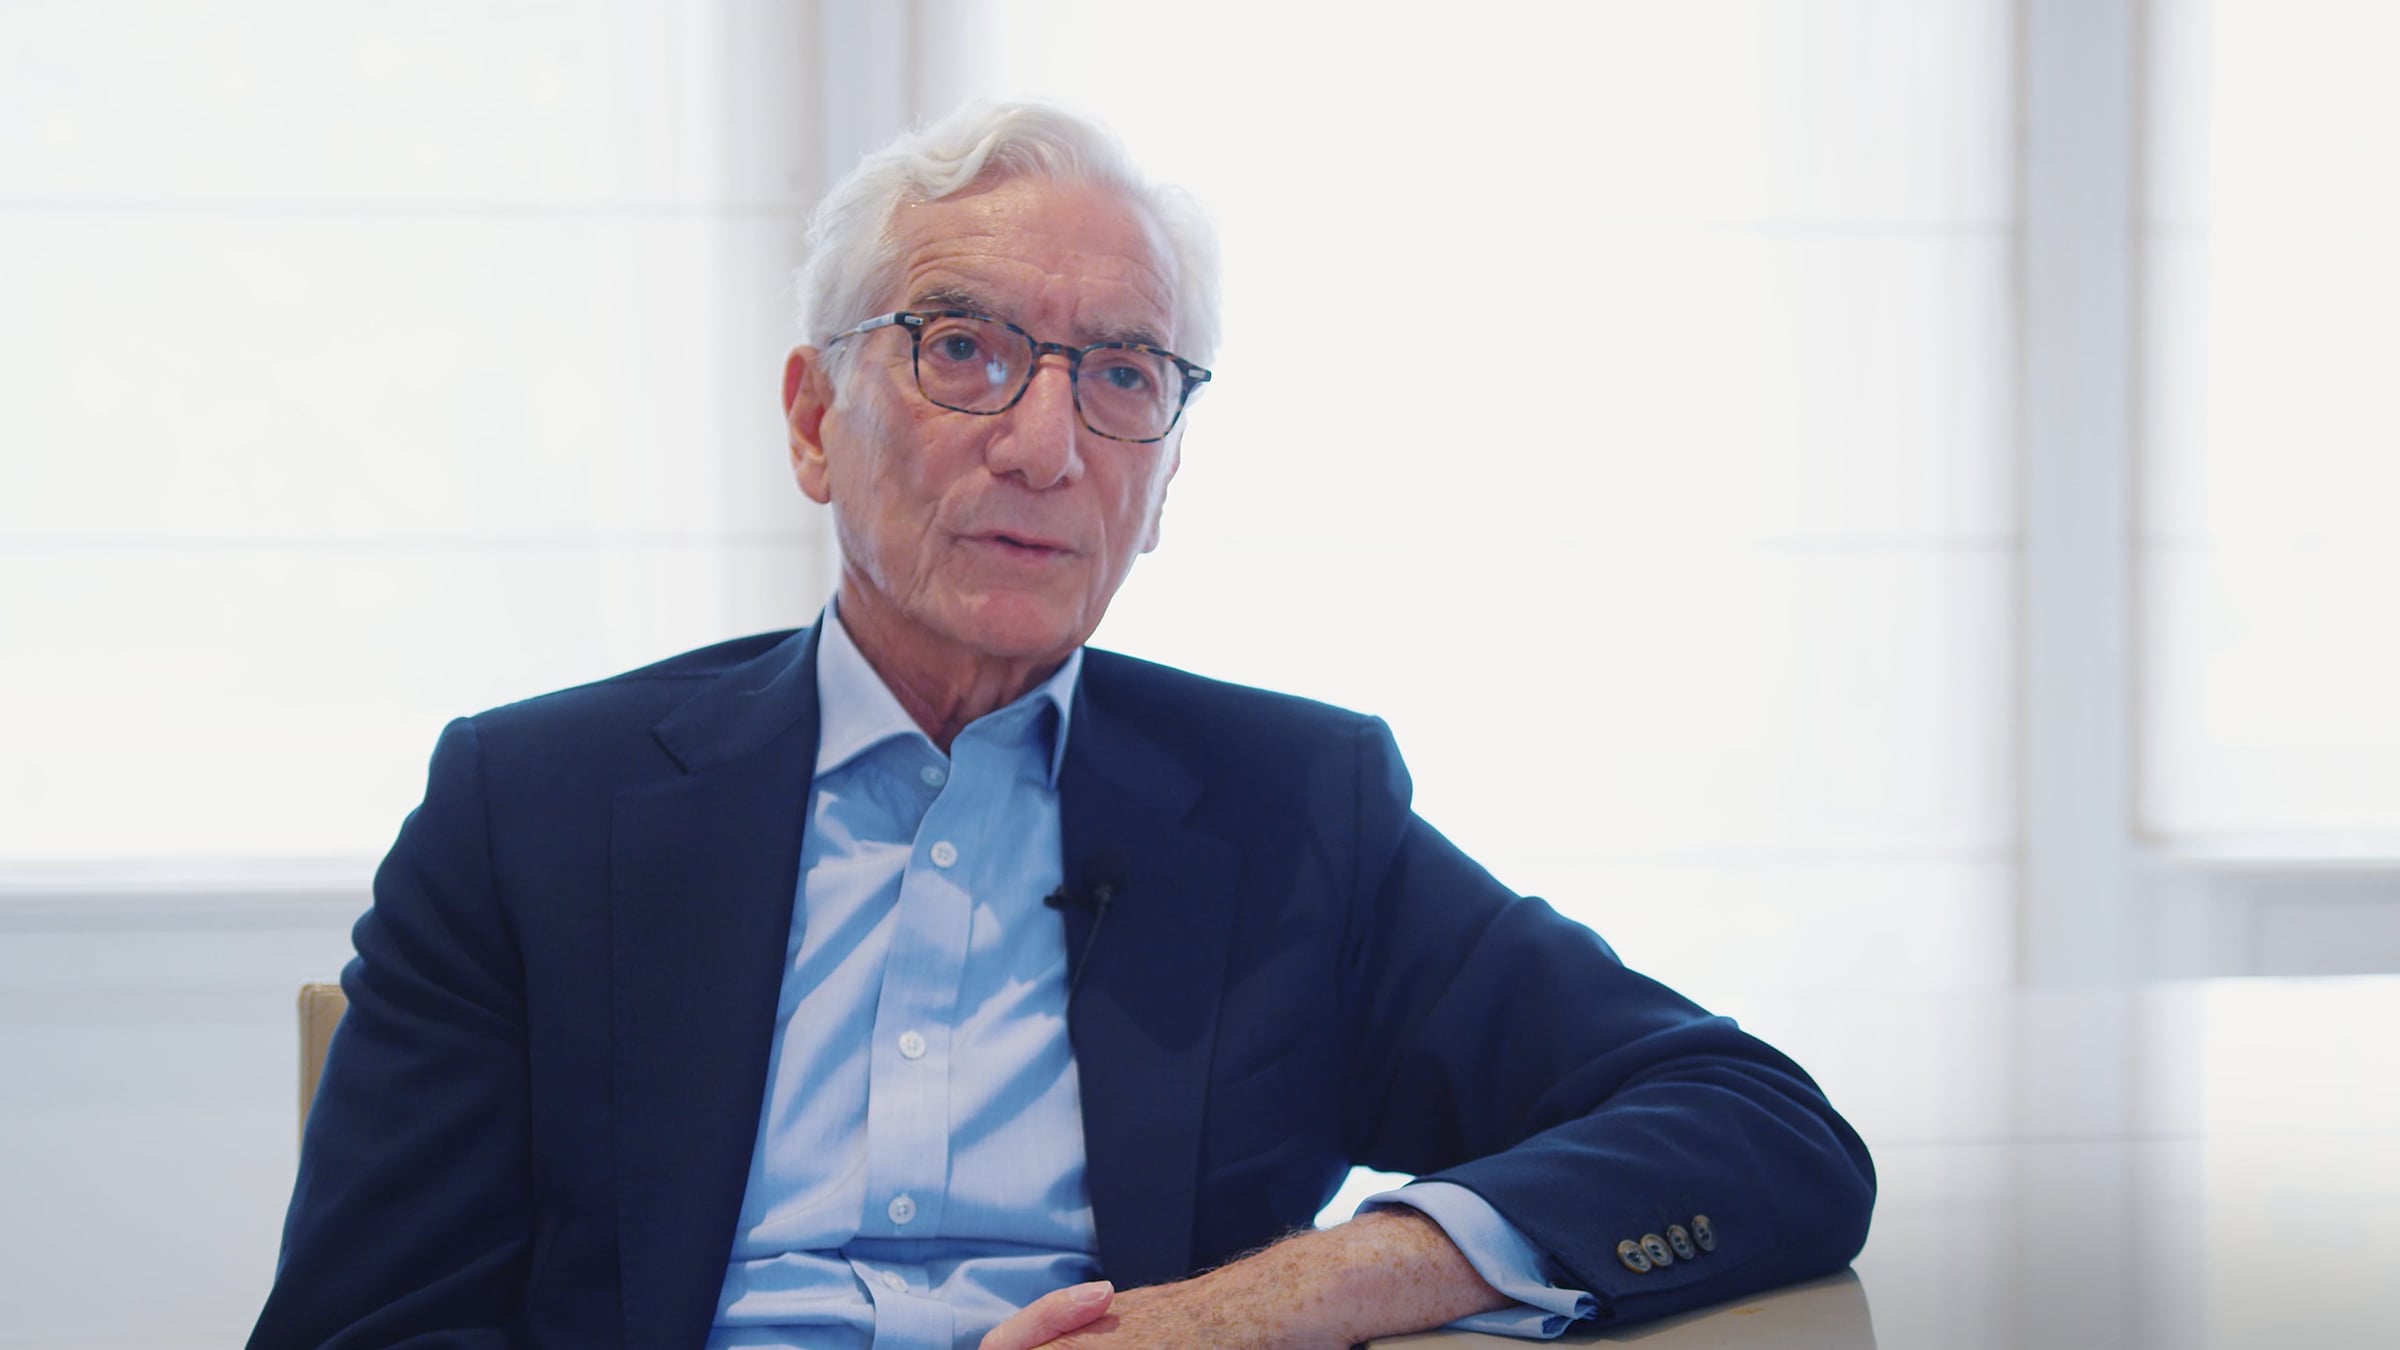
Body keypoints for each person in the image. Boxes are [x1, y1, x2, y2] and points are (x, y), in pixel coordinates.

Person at [251, 101, 1873, 1350]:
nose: (1047, 444)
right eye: (964, 349)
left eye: (1121, 375)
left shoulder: (1296, 811)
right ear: (815, 421)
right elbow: (364, 1325)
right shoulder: (534, 806)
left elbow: (1759, 1128)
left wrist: (1269, 1303)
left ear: (1165, 479)